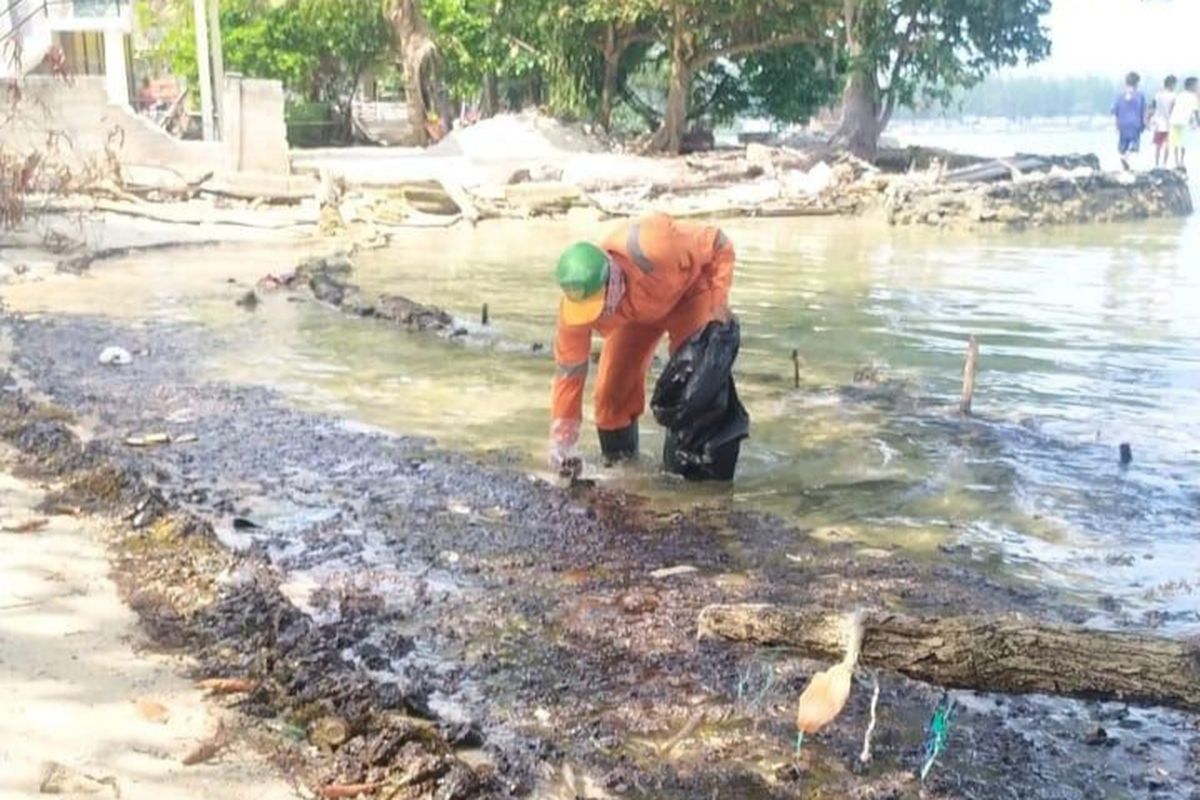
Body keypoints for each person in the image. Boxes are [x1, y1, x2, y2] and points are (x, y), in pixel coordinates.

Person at [549, 213, 735, 471]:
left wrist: (718, 304)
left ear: (611, 282)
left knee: (694, 391)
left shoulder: (657, 246)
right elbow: (570, 372)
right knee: (611, 397)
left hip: (689, 295)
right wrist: (563, 439)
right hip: (635, 314)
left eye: (597, 308)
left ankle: (689, 486)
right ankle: (622, 470)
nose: (594, 318)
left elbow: (719, 242)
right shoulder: (574, 310)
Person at [1111, 71, 1147, 171]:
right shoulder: (1139, 95)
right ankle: (1126, 158)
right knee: (1134, 145)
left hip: (1122, 124)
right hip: (1135, 123)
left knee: (1123, 146)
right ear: (1137, 83)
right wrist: (1144, 123)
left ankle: (1123, 164)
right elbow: (1143, 111)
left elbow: (1115, 111)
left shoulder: (1120, 96)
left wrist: (1116, 125)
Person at [1169, 76, 1199, 169]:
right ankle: (1181, 161)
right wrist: (1198, 123)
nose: (1197, 87)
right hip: (1184, 121)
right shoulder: (1193, 97)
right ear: (1191, 86)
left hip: (1174, 120)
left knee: (1175, 141)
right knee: (1183, 142)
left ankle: (1176, 161)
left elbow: (1173, 106)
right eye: (1196, 85)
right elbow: (1196, 112)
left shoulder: (1180, 95)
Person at [1149, 75, 1178, 168]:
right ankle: (1164, 164)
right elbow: (1173, 110)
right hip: (1168, 122)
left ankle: (1156, 164)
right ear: (1171, 84)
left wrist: (1150, 119)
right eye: (1174, 84)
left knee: (1158, 145)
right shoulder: (1173, 96)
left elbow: (1153, 107)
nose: (1175, 86)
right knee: (1167, 144)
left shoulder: (1158, 95)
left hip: (1158, 123)